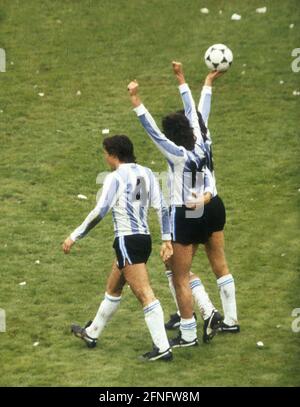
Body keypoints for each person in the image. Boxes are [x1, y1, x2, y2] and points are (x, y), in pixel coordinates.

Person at [128, 71, 220, 348]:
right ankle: (209, 311)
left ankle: (189, 333)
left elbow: (151, 130)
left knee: (179, 276)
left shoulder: (176, 154)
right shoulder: (201, 146)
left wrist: (136, 100)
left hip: (183, 213)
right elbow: (194, 113)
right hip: (200, 210)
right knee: (173, 265)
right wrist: (182, 81)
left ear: (172, 135)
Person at [62, 135, 174, 361]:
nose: (105, 158)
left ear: (113, 154)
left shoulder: (115, 178)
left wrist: (74, 236)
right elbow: (162, 207)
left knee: (144, 294)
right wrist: (166, 239)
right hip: (143, 240)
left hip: (126, 240)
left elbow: (100, 211)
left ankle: (163, 348)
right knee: (113, 287)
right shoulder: (147, 173)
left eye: (105, 153)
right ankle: (92, 333)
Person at [165, 65, 239, 333]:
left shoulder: (183, 151)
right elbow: (199, 113)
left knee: (176, 268)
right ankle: (231, 320)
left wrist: (183, 80)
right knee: (219, 263)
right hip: (214, 203)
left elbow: (195, 112)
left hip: (194, 205)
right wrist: (207, 82)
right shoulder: (205, 139)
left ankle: (202, 313)